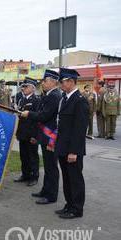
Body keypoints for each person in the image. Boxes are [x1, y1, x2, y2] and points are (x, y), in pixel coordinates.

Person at [21, 70, 61, 204]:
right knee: (48, 165)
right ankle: (45, 190)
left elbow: (44, 116)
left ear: (53, 81)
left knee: (51, 167)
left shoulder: (54, 96)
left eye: (45, 81)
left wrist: (29, 114)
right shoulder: (48, 95)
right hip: (45, 135)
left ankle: (51, 195)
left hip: (51, 137)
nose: (42, 83)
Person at [55, 68, 89, 219]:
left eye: (62, 82)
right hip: (63, 147)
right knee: (67, 178)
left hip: (72, 149)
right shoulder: (66, 98)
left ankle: (77, 209)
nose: (61, 84)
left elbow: (80, 130)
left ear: (71, 81)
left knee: (75, 179)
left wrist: (74, 151)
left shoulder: (80, 101)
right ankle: (69, 204)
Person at [14, 77, 40, 187]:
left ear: (33, 88)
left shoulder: (37, 100)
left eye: (26, 86)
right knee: (23, 156)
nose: (23, 88)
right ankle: (25, 174)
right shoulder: (22, 100)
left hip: (31, 134)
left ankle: (34, 177)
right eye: (23, 87)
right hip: (23, 133)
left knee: (32, 156)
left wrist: (35, 135)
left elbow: (38, 119)